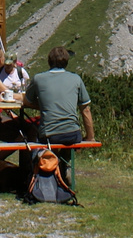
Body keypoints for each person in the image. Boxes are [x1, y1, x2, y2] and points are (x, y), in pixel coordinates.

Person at [23, 46, 95, 181]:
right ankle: (64, 163)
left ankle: (50, 170)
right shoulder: (76, 79)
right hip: (73, 133)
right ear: (66, 62)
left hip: (49, 134)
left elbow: (27, 102)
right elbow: (85, 109)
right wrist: (90, 137)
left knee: (40, 136)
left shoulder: (38, 78)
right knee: (67, 140)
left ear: (49, 61)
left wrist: (45, 105)